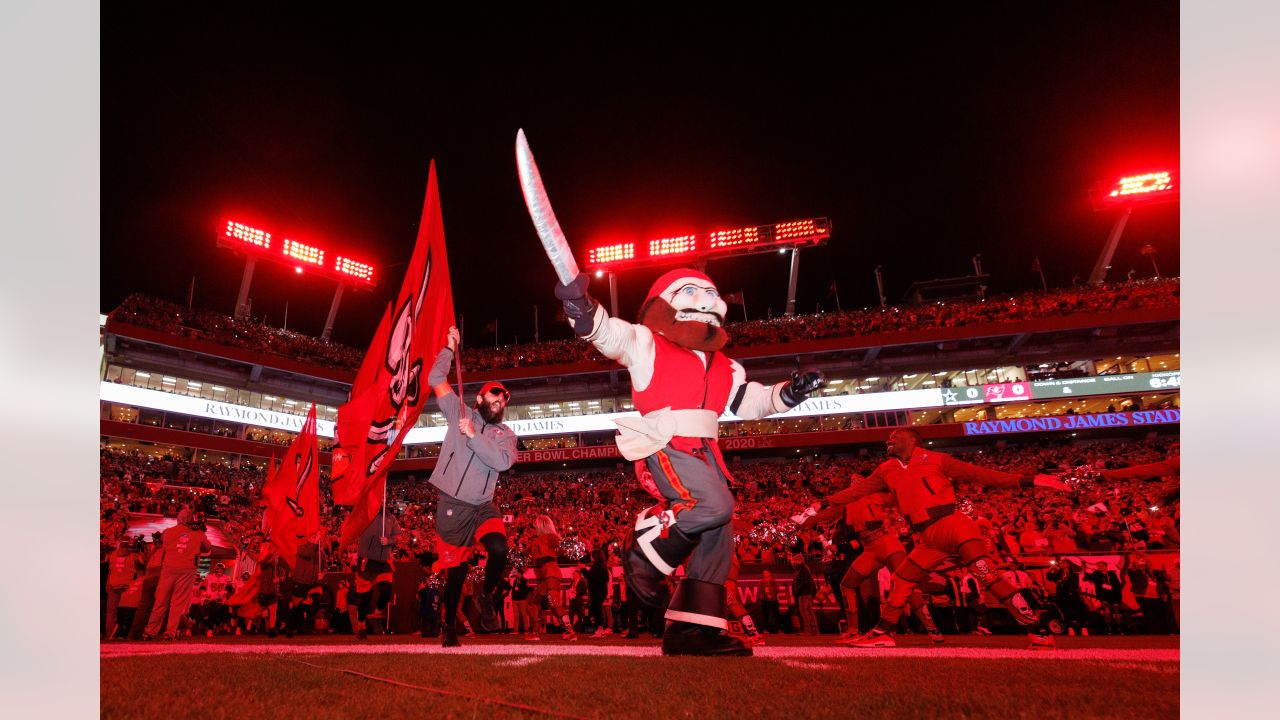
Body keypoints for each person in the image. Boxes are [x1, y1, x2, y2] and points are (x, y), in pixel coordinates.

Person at [554, 268, 825, 655]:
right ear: (664, 301)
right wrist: (580, 306)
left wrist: (790, 392)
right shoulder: (648, 342)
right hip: (667, 442)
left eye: (712, 292)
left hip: (707, 450)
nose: (707, 299)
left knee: (720, 535)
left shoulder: (727, 365)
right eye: (692, 290)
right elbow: (608, 334)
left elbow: (749, 403)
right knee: (715, 506)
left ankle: (692, 629)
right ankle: (648, 548)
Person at [831, 429, 1070, 649]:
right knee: (902, 579)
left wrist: (1031, 480)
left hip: (953, 525)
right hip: (927, 537)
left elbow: (979, 475)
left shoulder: (935, 459)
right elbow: (854, 492)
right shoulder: (887, 469)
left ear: (912, 440)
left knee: (986, 575)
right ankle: (884, 632)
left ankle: (1038, 631)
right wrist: (821, 504)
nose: (888, 440)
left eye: (895, 435)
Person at [425, 326, 517, 648]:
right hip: (452, 504)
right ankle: (449, 625)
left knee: (499, 549)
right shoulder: (458, 411)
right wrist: (449, 347)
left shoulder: (505, 433)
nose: (500, 401)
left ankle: (487, 597)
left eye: (504, 399)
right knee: (457, 573)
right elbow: (435, 380)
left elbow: (503, 462)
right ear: (480, 398)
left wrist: (474, 437)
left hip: (481, 506)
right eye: (495, 395)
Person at [793, 489, 943, 644]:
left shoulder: (872, 497)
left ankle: (932, 627)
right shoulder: (849, 506)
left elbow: (896, 498)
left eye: (857, 481)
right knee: (847, 585)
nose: (854, 485)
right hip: (871, 549)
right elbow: (829, 515)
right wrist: (804, 521)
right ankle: (853, 631)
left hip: (887, 544)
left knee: (905, 586)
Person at [145, 509, 212, 639]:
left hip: (168, 569)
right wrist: (200, 530)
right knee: (177, 604)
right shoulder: (198, 534)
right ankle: (170, 633)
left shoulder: (168, 532)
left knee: (160, 602)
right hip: (187, 570)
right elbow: (207, 548)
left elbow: (163, 541)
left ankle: (150, 631)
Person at [525, 515, 578, 641]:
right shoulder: (539, 540)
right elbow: (526, 555)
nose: (534, 527)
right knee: (532, 603)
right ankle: (535, 633)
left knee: (554, 604)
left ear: (540, 525)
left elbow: (564, 548)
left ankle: (570, 632)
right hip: (547, 578)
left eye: (535, 525)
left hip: (551, 575)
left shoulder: (550, 538)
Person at [352, 507, 398, 640]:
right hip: (367, 560)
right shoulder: (364, 514)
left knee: (386, 590)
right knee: (365, 598)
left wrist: (388, 541)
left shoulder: (390, 517)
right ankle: (361, 626)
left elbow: (398, 536)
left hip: (384, 561)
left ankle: (376, 615)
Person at [104, 537, 143, 640]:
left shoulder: (112, 555)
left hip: (113, 587)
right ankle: (123, 634)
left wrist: (107, 585)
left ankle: (110, 635)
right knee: (127, 612)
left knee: (111, 613)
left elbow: (110, 571)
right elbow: (141, 568)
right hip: (127, 589)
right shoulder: (133, 556)